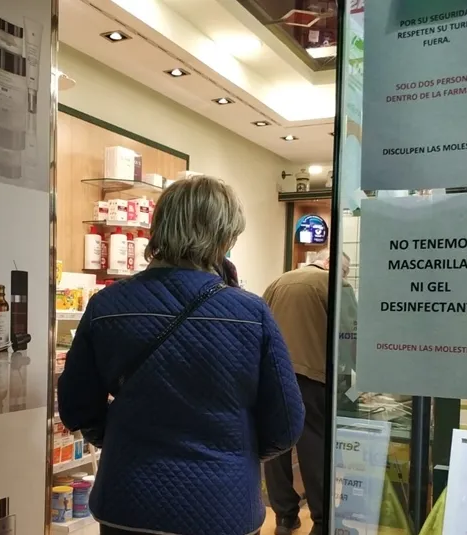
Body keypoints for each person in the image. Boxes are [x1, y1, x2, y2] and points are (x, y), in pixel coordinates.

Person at [58, 176, 305, 535]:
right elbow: (286, 424)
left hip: (128, 500)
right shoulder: (252, 314)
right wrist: (237, 453)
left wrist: (115, 439)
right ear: (224, 238)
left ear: (159, 227)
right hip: (223, 506)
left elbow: (76, 405)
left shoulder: (107, 306)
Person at [261, 248, 341, 535]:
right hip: (312, 375)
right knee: (313, 445)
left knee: (276, 446)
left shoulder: (278, 282)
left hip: (273, 373)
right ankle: (320, 520)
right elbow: (350, 334)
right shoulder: (333, 284)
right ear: (330, 263)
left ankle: (284, 516)